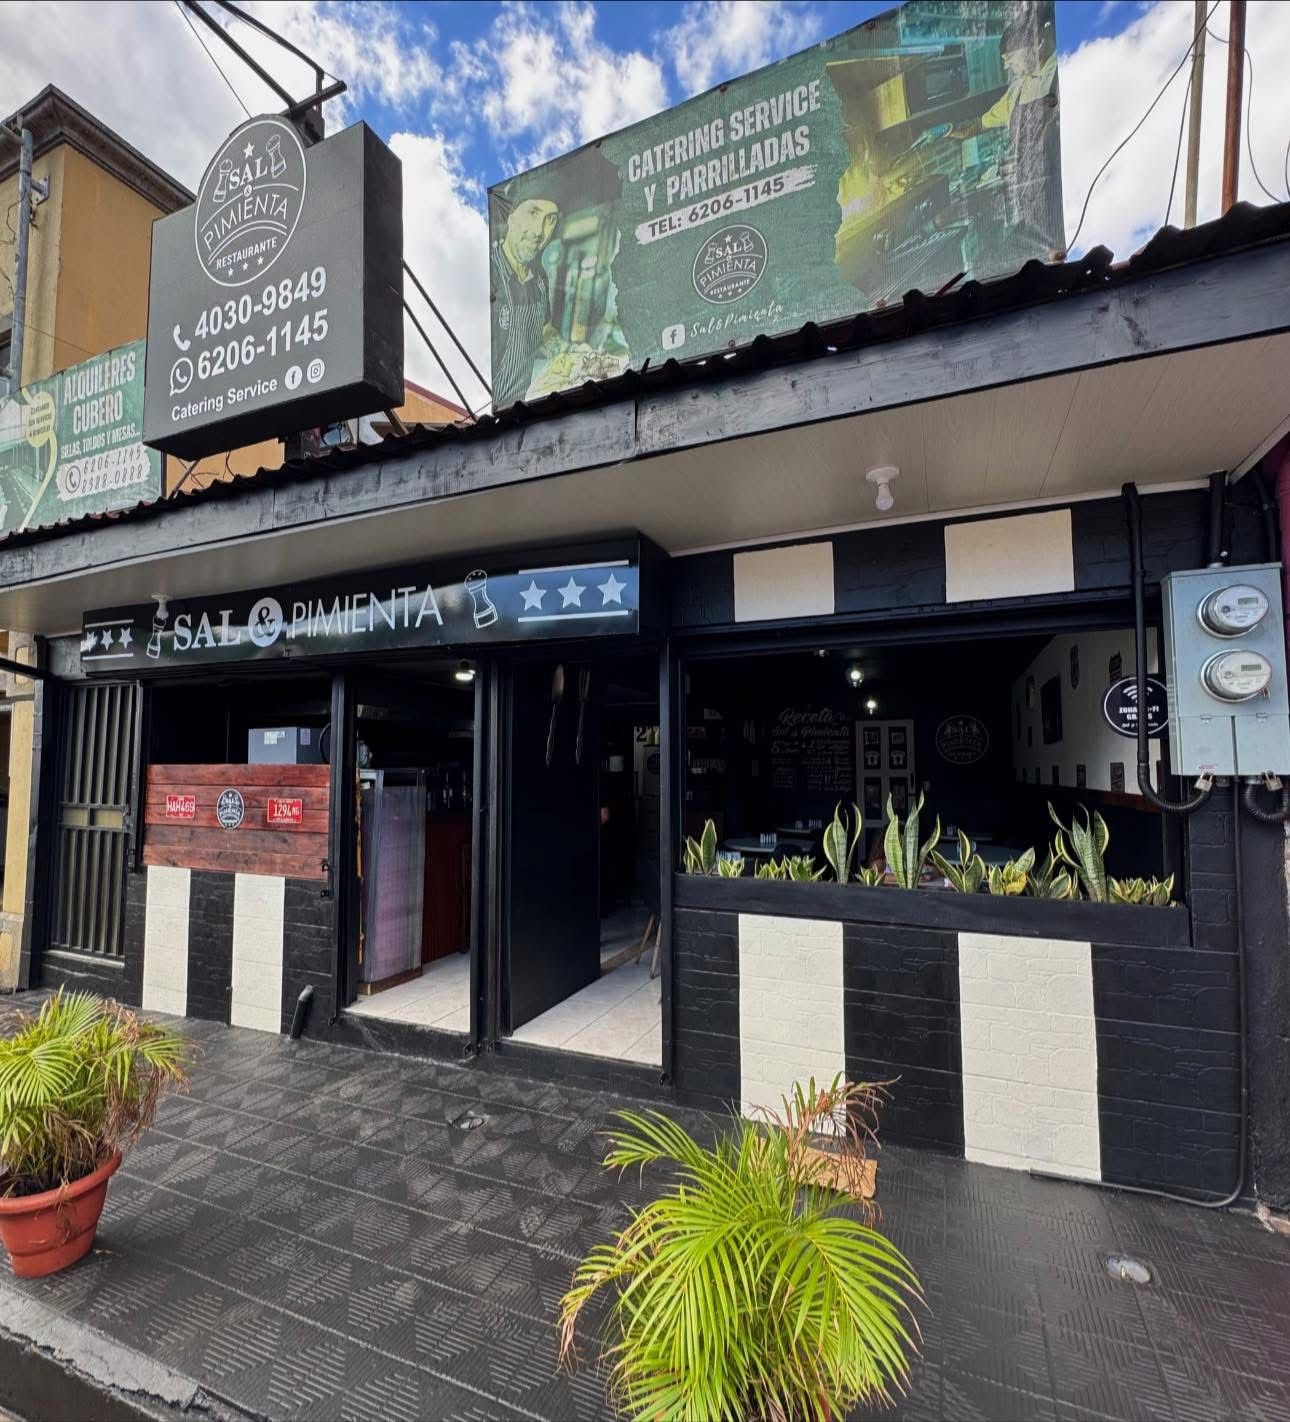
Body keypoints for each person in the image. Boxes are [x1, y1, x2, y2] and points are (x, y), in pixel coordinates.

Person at [490, 195, 565, 408]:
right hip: (497, 412)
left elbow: (545, 332)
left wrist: (568, 353)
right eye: (532, 213)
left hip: (530, 404)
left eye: (550, 219)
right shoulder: (490, 275)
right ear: (510, 218)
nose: (539, 231)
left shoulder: (540, 278)